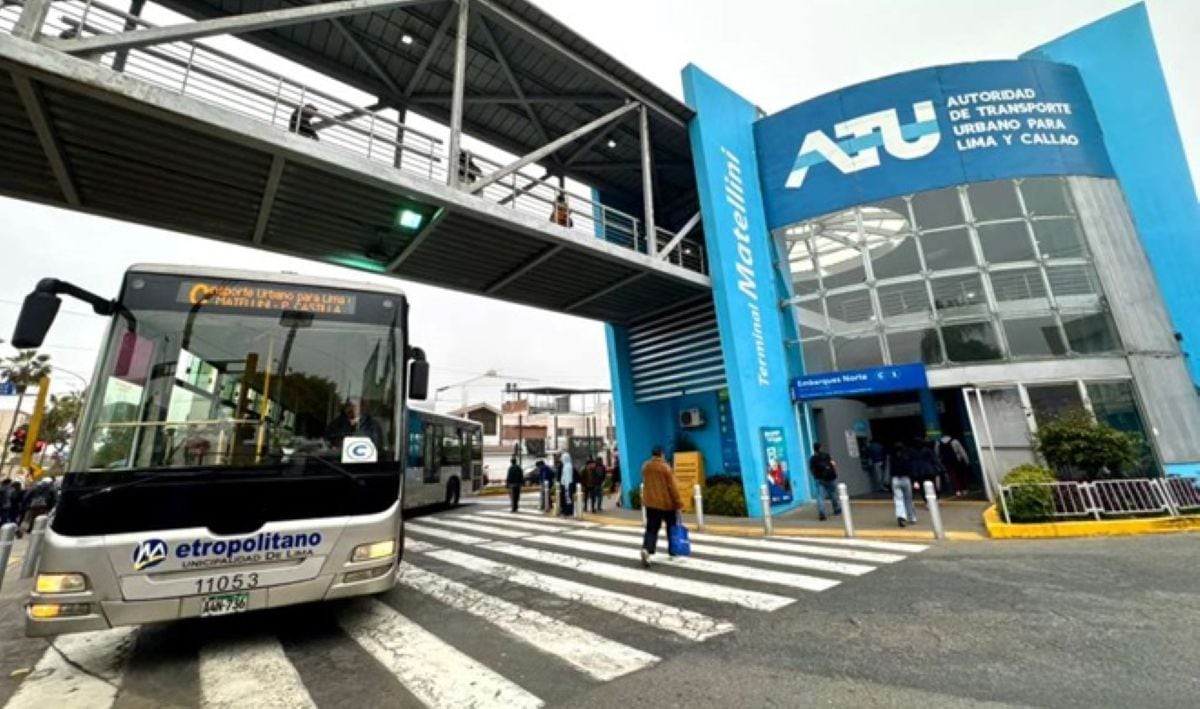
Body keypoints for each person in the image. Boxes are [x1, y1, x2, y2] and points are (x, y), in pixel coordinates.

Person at [639, 445, 683, 567]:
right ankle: (673, 550)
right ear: (662, 454)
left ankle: (647, 549)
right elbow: (673, 487)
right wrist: (679, 503)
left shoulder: (645, 467)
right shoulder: (665, 468)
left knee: (651, 528)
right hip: (666, 504)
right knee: (671, 527)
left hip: (651, 504)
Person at [808, 443, 840, 521]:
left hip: (819, 479)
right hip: (830, 478)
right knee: (833, 493)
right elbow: (833, 464)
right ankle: (836, 509)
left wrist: (815, 476)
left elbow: (811, 470)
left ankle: (822, 513)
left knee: (820, 496)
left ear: (814, 449)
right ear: (821, 448)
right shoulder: (827, 456)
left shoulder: (813, 459)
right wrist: (835, 473)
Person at [890, 442, 917, 527]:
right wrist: (914, 480)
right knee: (908, 499)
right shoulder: (906, 457)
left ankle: (901, 516)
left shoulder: (891, 458)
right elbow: (911, 469)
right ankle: (912, 517)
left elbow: (890, 470)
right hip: (906, 479)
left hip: (895, 479)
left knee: (898, 499)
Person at [559, 452, 575, 517]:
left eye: (562, 458)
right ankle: (567, 511)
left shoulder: (567, 466)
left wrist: (566, 487)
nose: (561, 459)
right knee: (567, 499)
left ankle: (568, 511)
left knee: (567, 499)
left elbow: (568, 477)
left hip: (567, 485)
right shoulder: (567, 465)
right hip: (566, 484)